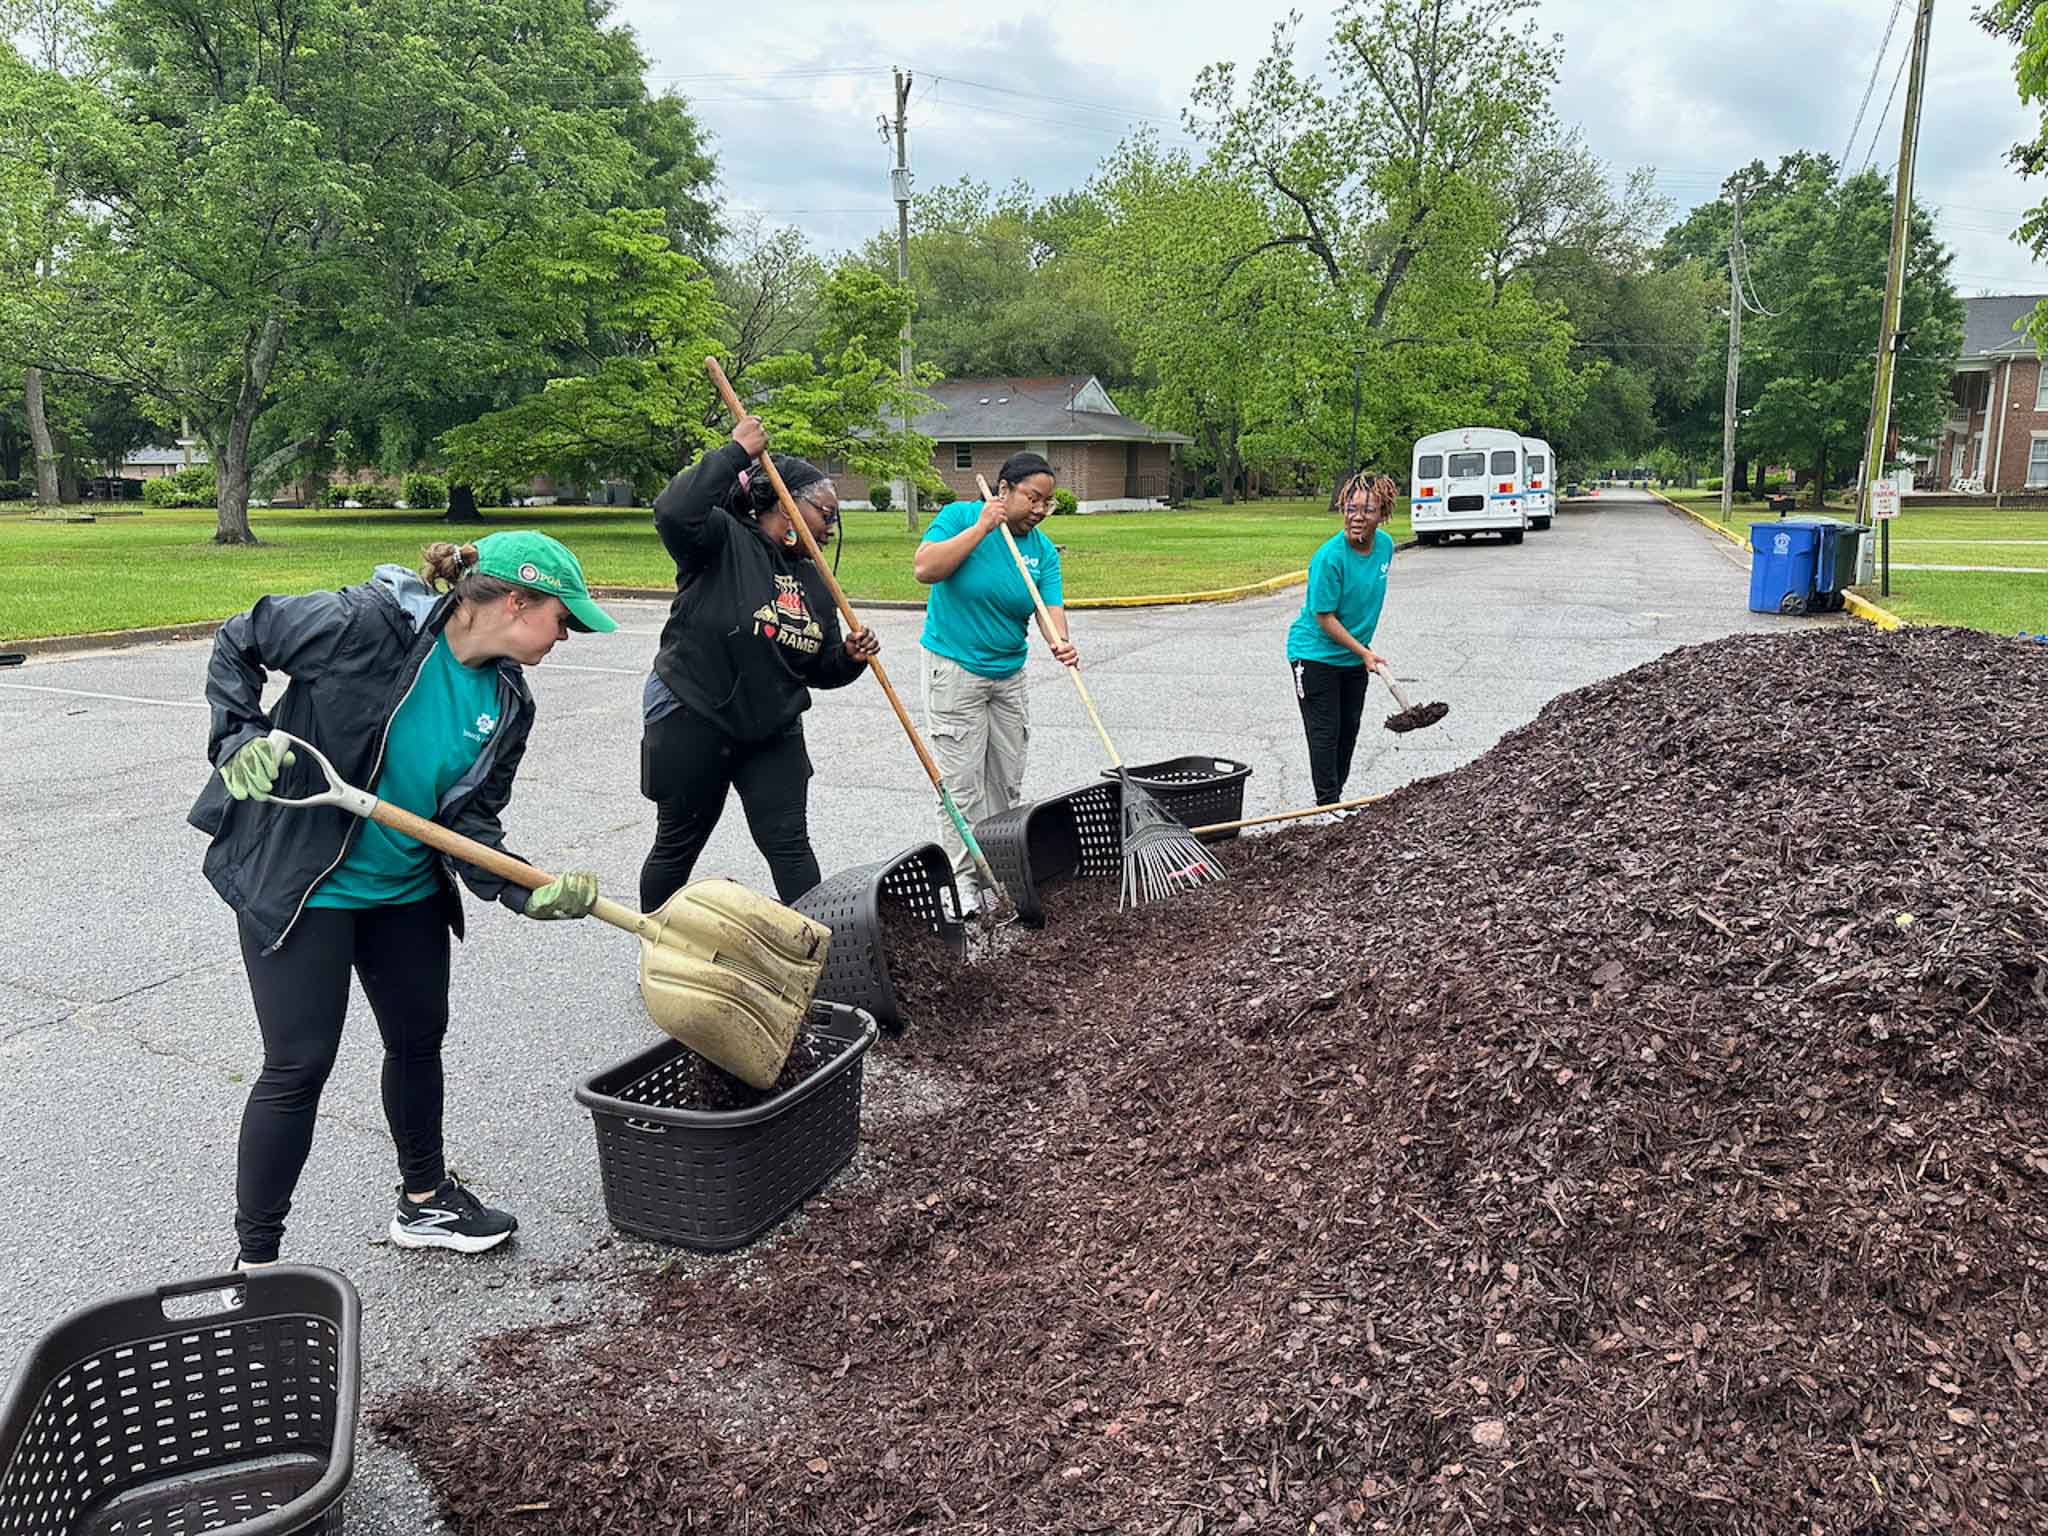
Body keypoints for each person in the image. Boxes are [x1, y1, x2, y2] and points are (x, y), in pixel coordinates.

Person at [190, 531, 617, 1269]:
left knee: (418, 1042)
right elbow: (240, 638)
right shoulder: (365, 624)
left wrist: (526, 893)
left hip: (406, 889)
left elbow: (469, 824)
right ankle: (255, 1263)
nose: (567, 635)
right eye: (563, 618)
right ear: (515, 601)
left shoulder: (510, 701)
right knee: (298, 1066)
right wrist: (240, 737)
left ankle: (424, 1202)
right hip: (301, 883)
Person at [640, 415, 881, 908]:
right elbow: (672, 511)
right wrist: (735, 453)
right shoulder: (721, 540)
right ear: (786, 506)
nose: (832, 527)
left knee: (790, 845)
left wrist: (850, 658)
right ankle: (656, 946)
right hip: (694, 711)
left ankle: (822, 958)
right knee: (677, 846)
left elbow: (819, 668)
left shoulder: (815, 580)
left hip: (772, 726)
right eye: (825, 513)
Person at [912, 450, 1078, 905]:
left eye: (1048, 502)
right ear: (1004, 490)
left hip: (1008, 675)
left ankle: (1001, 869)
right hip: (955, 669)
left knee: (1004, 783)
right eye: (1033, 498)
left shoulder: (1041, 550)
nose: (1041, 510)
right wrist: (982, 527)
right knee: (962, 784)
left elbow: (1050, 609)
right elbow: (926, 568)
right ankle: (964, 882)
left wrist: (1060, 641)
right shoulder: (959, 516)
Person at [1285, 472, 1398, 812]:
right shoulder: (1328, 557)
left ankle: (1335, 800)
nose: (1357, 517)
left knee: (1348, 731)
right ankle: (1327, 806)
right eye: (1350, 509)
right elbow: (1324, 616)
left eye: (1367, 510)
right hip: (1314, 655)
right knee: (1325, 732)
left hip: (1353, 658)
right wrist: (1365, 651)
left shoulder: (1386, 547)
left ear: (1383, 514)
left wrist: (1361, 653)